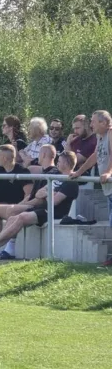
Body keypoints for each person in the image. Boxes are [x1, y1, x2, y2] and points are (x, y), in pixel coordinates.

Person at [0, 151, 79, 259]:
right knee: (12, 218)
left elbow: (54, 202)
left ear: (66, 164)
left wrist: (47, 193)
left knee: (21, 217)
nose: (57, 163)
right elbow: (39, 193)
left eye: (60, 161)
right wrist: (50, 194)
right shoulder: (56, 177)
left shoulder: (71, 183)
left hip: (55, 213)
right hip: (42, 209)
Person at [70, 110, 112, 266]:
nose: (91, 125)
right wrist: (79, 172)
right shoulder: (100, 136)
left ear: (103, 122)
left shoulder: (111, 133)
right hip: (109, 189)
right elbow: (94, 156)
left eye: (93, 121)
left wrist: (108, 171)